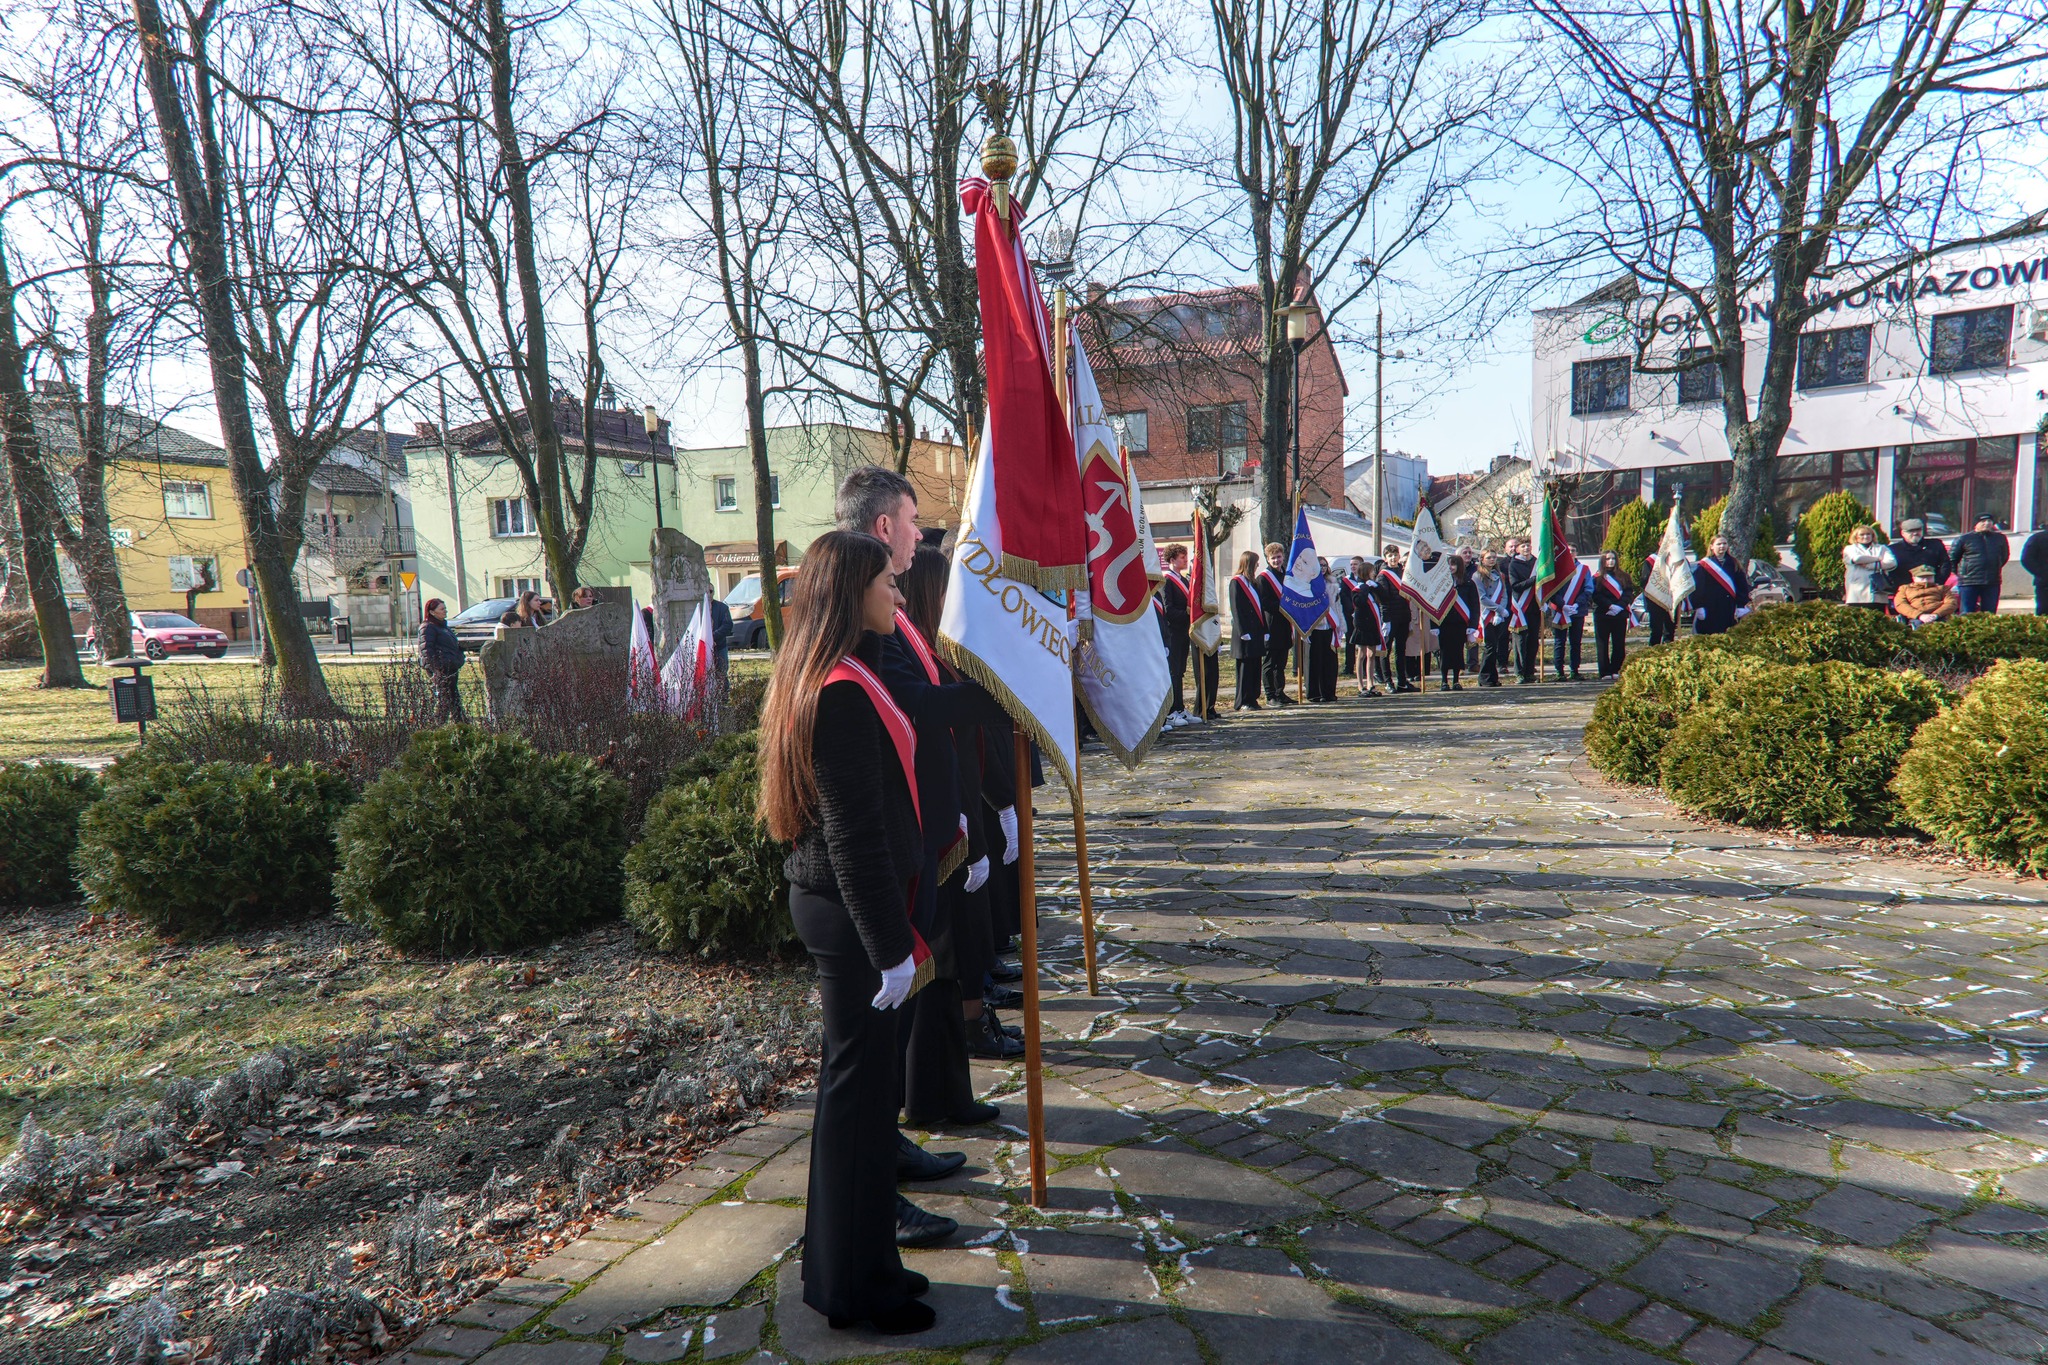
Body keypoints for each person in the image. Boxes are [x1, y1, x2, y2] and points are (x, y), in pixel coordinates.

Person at [757, 530, 939, 1336]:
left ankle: (860, 1266)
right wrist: (891, 949)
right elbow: (853, 835)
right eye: (885, 584)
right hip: (853, 912)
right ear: (849, 592)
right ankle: (860, 1291)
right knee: (860, 1105)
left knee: (858, 1103)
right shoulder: (836, 689)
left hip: (851, 907)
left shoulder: (843, 672)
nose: (898, 596)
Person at [1254, 542, 1294, 704]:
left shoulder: (1288, 576)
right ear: (1268, 559)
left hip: (1285, 625)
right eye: (1273, 558)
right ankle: (1271, 695)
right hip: (1271, 625)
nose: (1276, 560)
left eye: (1278, 557)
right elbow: (1264, 602)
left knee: (1281, 662)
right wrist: (1283, 606)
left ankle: (1280, 692)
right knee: (1270, 662)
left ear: (1283, 556)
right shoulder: (1263, 578)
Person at [1158, 544, 1194, 724]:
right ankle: (1172, 711)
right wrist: (1187, 614)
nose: (1185, 561)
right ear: (1172, 560)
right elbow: (1168, 609)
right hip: (1172, 632)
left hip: (1184, 631)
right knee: (1173, 672)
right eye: (1182, 558)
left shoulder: (1185, 580)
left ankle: (1179, 707)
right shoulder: (1167, 581)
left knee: (1180, 671)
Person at [1691, 533, 1752, 635]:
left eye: (1724, 543)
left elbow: (1741, 585)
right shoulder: (1704, 565)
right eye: (1719, 544)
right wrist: (1699, 605)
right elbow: (1698, 587)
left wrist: (1741, 604)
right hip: (1710, 607)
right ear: (1711, 546)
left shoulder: (1734, 563)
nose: (1722, 546)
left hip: (1728, 607)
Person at [1950, 513, 2009, 615]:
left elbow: (2004, 556)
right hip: (1969, 581)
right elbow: (1952, 559)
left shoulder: (2000, 538)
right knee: (1967, 612)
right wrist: (1961, 574)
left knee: (1989, 612)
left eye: (1989, 521)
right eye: (1983, 521)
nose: (1987, 524)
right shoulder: (1964, 539)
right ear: (1975, 524)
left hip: (1992, 581)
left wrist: (1994, 567)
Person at [1229, 550, 1266, 710]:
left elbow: (1260, 608)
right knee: (1245, 668)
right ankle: (1243, 700)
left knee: (1255, 666)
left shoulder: (1254, 583)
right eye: (1256, 562)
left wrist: (1265, 629)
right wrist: (1242, 630)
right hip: (1244, 633)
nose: (1258, 565)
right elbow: (1236, 608)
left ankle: (1252, 698)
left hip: (1256, 631)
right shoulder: (1236, 582)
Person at [418, 598, 465, 721]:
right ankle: (439, 727)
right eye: (442, 609)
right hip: (441, 671)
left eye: (445, 608)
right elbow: (426, 651)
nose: (446, 611)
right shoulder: (428, 628)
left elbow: (455, 647)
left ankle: (461, 726)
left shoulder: (444, 627)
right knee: (446, 702)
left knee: (453, 700)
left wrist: (459, 659)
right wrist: (437, 669)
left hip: (451, 669)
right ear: (432, 612)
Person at [1376, 548, 1416, 692]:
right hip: (1390, 617)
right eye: (1390, 556)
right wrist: (1385, 620)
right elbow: (1383, 600)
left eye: (1395, 555)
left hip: (1404, 616)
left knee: (1401, 650)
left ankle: (1402, 681)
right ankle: (1388, 681)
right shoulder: (1383, 576)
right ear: (1385, 558)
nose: (1393, 558)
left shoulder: (1404, 572)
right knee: (1385, 651)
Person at [1351, 556, 1390, 696]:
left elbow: (1385, 598)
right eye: (1372, 571)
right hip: (1362, 625)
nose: (1374, 573)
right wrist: (1365, 587)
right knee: (1361, 655)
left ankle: (1370, 684)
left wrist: (1377, 586)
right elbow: (1359, 603)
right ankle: (1361, 686)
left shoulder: (1373, 587)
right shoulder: (1357, 589)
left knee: (1372, 654)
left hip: (1373, 624)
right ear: (1366, 572)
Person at [1592, 551, 1634, 679]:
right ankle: (1604, 671)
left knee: (1619, 643)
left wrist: (1619, 606)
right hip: (1603, 614)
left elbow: (1628, 593)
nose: (1611, 561)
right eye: (1608, 559)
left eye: (1613, 558)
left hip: (1619, 614)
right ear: (1603, 560)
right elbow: (1596, 595)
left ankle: (1616, 669)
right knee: (1602, 644)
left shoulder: (1624, 577)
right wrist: (1609, 606)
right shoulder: (1597, 578)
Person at [1439, 555, 1479, 690]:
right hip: (1444, 623)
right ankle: (1444, 680)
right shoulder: (1440, 584)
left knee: (1457, 652)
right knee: (1444, 652)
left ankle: (1456, 680)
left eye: (1454, 564)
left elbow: (1474, 605)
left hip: (1460, 623)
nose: (1451, 567)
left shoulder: (1468, 583)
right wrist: (1434, 625)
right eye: (1449, 564)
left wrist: (1473, 625)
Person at [1504, 536, 1539, 683]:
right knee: (1520, 641)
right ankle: (1519, 672)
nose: (1526, 548)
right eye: (1523, 546)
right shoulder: (1514, 564)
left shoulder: (1537, 563)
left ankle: (1530, 671)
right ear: (1518, 549)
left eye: (1528, 546)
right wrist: (1533, 580)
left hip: (1535, 606)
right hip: (1520, 607)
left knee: (1533, 641)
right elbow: (1515, 585)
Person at [1547, 566, 1591, 681]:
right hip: (1559, 611)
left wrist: (1577, 604)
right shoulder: (1556, 568)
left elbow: (1588, 590)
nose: (1570, 553)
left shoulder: (1583, 570)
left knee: (1576, 642)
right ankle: (1559, 671)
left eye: (1573, 551)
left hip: (1577, 610)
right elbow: (1551, 590)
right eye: (1569, 550)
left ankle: (1574, 670)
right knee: (1559, 642)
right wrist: (1563, 605)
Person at [1306, 558, 1340, 702]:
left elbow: (1338, 606)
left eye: (1325, 565)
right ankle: (1314, 693)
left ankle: (1328, 692)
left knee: (1330, 661)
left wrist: (1340, 625)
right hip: (1316, 626)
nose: (1323, 568)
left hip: (1330, 625)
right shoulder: (1309, 583)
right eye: (1320, 565)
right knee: (1315, 660)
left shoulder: (1333, 582)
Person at [1474, 550, 1510, 687]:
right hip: (1486, 615)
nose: (1492, 560)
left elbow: (1504, 595)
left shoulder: (1499, 575)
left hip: (1498, 616)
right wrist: (1499, 610)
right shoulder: (1477, 576)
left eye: (1494, 557)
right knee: (1489, 647)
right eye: (1489, 557)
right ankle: (1484, 677)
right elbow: (1482, 598)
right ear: (1482, 559)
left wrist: (1501, 613)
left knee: (1495, 646)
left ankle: (1492, 677)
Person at [1887, 518, 1951, 593]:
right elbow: (1890, 571)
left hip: (1931, 589)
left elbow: (1945, 564)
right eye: (1911, 531)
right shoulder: (1894, 549)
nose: (1915, 533)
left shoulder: (1935, 545)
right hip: (1905, 591)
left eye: (1918, 530)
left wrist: (1938, 582)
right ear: (1903, 533)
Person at [1840, 525, 1895, 610]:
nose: (1865, 536)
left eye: (1868, 534)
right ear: (1856, 537)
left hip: (1878, 592)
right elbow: (1857, 559)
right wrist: (1878, 558)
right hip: (1857, 592)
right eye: (1862, 534)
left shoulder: (1882, 548)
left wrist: (1870, 566)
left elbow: (1892, 562)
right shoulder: (1850, 549)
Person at [1893, 562, 1958, 626]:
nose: (1926, 580)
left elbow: (1951, 603)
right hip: (1915, 618)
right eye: (1922, 577)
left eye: (1929, 577)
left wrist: (1936, 614)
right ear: (1914, 578)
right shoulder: (1905, 589)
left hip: (1939, 616)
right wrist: (1919, 615)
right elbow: (1900, 604)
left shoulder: (1943, 589)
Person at [1641, 549, 1677, 646]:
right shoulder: (1650, 561)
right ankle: (1653, 654)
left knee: (1670, 632)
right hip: (1655, 601)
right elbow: (1645, 582)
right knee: (1656, 631)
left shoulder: (1677, 559)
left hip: (1671, 600)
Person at [2025, 525, 2048, 616]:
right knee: (2044, 611)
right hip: (2045, 583)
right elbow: (2027, 559)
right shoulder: (2038, 538)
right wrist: (2043, 574)